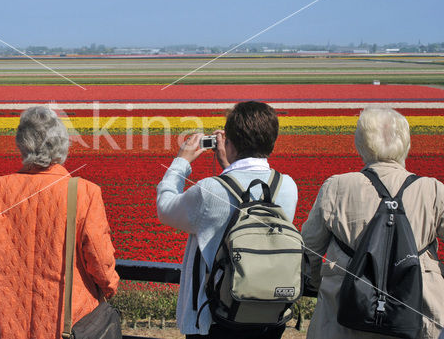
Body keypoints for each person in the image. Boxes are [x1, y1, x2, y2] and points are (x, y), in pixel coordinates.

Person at [0, 105, 119, 339]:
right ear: (62, 143)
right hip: (68, 317)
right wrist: (110, 287)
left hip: (9, 316)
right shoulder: (84, 192)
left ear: (22, 144)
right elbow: (99, 259)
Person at [156, 101, 298, 338]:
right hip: (269, 313)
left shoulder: (209, 190)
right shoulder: (287, 186)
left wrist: (181, 162)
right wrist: (229, 165)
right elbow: (246, 196)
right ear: (272, 141)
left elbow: (165, 208)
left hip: (217, 319)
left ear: (230, 142)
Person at [302, 107, 444, 338]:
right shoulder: (433, 190)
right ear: (407, 144)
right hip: (417, 312)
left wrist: (320, 284)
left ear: (360, 145)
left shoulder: (337, 186)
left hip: (344, 314)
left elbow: (310, 249)